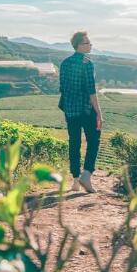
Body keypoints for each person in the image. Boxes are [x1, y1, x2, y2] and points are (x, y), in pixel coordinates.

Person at [58, 31, 102, 193]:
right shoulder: (87, 63)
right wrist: (98, 113)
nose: (90, 45)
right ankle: (87, 174)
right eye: (87, 43)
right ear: (79, 45)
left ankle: (75, 181)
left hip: (70, 110)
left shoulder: (64, 63)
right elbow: (91, 91)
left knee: (74, 143)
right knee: (94, 140)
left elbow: (62, 88)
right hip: (86, 109)